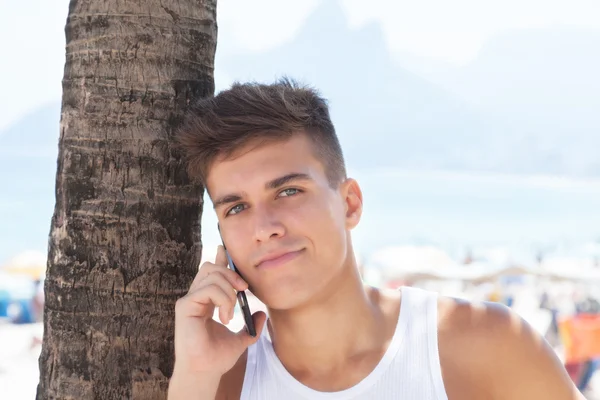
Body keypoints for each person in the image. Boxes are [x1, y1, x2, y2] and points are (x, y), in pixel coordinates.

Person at [168, 79, 584, 400]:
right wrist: (195, 376)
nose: (265, 227)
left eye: (288, 191)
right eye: (236, 208)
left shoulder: (485, 344)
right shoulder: (221, 382)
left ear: (350, 204)